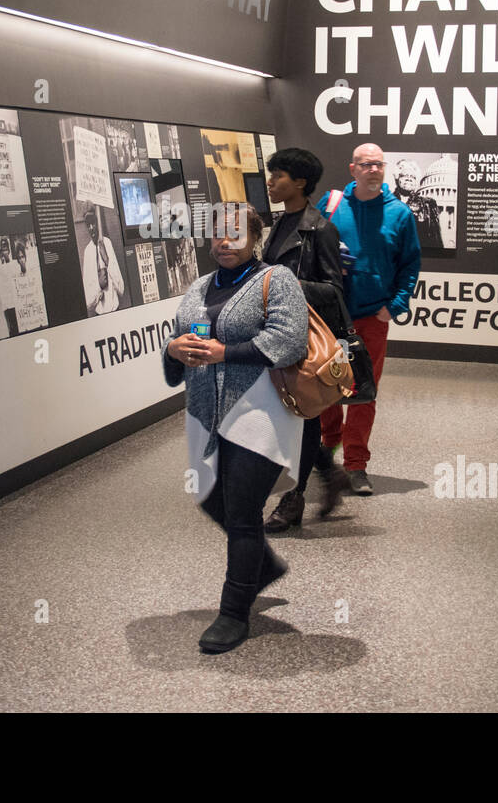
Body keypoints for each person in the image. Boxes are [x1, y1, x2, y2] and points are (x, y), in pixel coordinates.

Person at [163, 203, 309, 654]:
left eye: (235, 235)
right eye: (217, 235)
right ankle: (261, 566)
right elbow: (180, 342)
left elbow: (289, 341)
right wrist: (173, 349)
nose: (224, 243)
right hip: (205, 410)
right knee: (210, 500)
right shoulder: (199, 285)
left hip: (259, 410)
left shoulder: (275, 280)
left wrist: (224, 353)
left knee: (243, 514)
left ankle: (233, 612)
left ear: (254, 239)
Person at [317, 143, 421, 495]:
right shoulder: (330, 206)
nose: (373, 170)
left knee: (363, 392)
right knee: (324, 387)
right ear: (353, 169)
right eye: (366, 165)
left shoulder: (400, 214)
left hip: (371, 318)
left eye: (378, 165)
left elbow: (410, 265)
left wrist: (395, 305)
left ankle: (356, 464)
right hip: (329, 317)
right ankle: (326, 454)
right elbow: (309, 252)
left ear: (384, 169)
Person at [259, 148, 353, 531]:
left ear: (299, 182)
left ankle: (294, 498)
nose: (270, 182)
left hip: (304, 338)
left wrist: (289, 284)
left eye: (278, 176)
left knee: (302, 414)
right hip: (276, 333)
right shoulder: (280, 223)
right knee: (290, 414)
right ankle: (330, 475)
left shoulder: (320, 229)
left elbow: (333, 289)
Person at [81, 204, 124, 315]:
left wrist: (107, 261)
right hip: (100, 316)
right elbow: (88, 303)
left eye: (93, 223)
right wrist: (98, 286)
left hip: (116, 311)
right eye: (88, 224)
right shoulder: (87, 253)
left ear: (97, 223)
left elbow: (121, 289)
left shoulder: (107, 244)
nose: (91, 228)